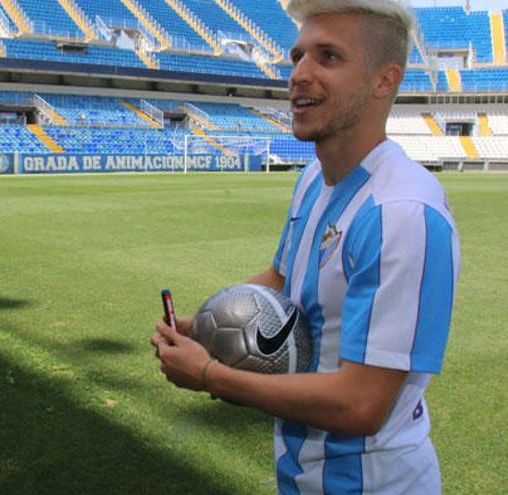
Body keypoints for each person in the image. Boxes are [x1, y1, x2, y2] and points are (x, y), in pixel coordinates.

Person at [150, 0, 460, 493]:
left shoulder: (401, 213)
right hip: (302, 475)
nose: (299, 74)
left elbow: (360, 405)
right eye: (297, 57)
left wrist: (210, 375)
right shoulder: (316, 177)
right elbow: (282, 277)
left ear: (385, 80)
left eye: (329, 57)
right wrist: (205, 322)